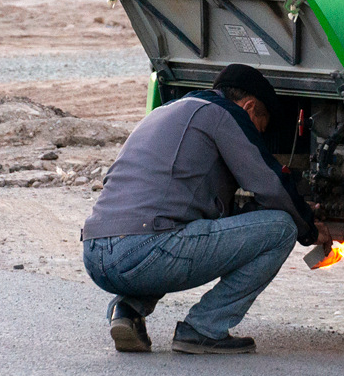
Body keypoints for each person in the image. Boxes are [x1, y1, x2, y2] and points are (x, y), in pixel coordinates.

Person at [81, 64, 326, 354]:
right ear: (249, 107)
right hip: (145, 249)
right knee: (283, 229)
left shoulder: (169, 111)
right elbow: (269, 184)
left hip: (96, 254)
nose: (257, 135)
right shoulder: (226, 114)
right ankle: (204, 328)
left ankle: (127, 311)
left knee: (173, 227)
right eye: (260, 127)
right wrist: (308, 226)